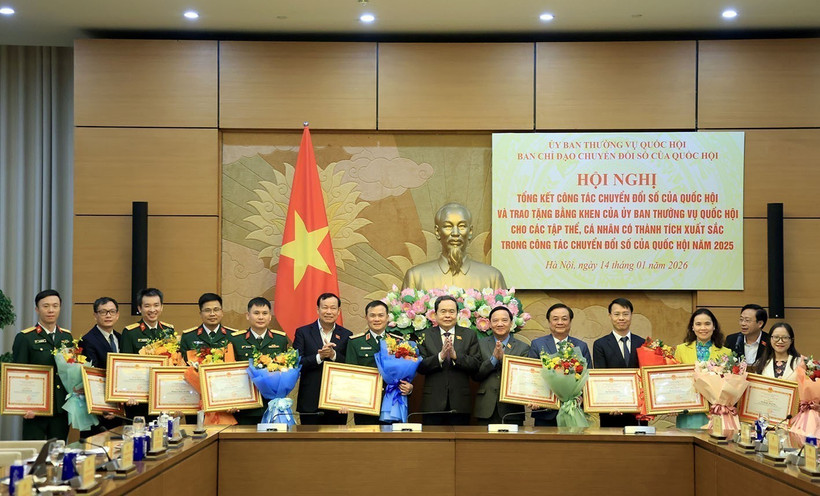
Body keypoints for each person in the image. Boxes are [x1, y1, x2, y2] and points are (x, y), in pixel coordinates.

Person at [12, 289, 73, 440]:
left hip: (61, 409)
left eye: (55, 306)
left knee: (58, 454)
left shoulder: (67, 336)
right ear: (37, 309)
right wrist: (24, 406)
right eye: (45, 306)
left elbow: (71, 371)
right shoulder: (25, 337)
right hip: (35, 409)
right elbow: (18, 374)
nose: (51, 310)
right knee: (33, 455)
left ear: (60, 308)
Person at [402, 202, 506, 290]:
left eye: (462, 226)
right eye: (448, 226)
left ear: (470, 231)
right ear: (437, 232)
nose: (455, 233)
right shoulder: (415, 277)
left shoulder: (492, 278)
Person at [346, 300, 412, 425]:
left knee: (392, 443)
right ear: (366, 317)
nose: (377, 319)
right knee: (366, 442)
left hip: (393, 404)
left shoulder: (399, 342)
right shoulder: (355, 342)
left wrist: (409, 387)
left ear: (387, 318)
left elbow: (406, 372)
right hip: (365, 404)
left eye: (381, 315)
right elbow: (350, 374)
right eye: (372, 315)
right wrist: (346, 400)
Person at [417, 295, 480, 425]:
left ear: (457, 314)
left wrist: (456, 357)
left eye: (452, 312)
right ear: (435, 315)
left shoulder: (469, 335)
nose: (447, 315)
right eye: (443, 311)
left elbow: (476, 364)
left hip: (460, 403)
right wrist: (440, 356)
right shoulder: (424, 335)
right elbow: (420, 366)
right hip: (432, 403)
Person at [528, 303, 592, 426]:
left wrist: (582, 398)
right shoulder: (537, 344)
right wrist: (533, 397)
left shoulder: (581, 346)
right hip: (545, 411)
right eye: (555, 319)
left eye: (564, 318)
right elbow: (532, 375)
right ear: (549, 322)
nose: (560, 322)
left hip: (573, 411)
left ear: (570, 321)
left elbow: (588, 376)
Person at [293, 293, 352, 425]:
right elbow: (297, 363)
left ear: (338, 311)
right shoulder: (303, 332)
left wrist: (333, 355)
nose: (329, 312)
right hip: (309, 400)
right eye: (325, 307)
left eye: (333, 308)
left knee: (336, 444)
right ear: (317, 309)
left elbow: (350, 366)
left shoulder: (347, 335)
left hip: (337, 402)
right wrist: (319, 357)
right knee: (309, 443)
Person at [230, 297, 290, 425]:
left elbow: (286, 370)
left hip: (272, 405)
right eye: (256, 313)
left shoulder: (280, 340)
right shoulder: (236, 340)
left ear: (270, 317)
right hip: (246, 406)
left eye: (264, 313)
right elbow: (230, 373)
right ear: (248, 315)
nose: (261, 317)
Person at [673, 308, 732, 429]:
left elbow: (730, 385)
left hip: (715, 412)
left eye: (707, 324)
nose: (703, 328)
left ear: (714, 326)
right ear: (692, 327)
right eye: (698, 324)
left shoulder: (726, 352)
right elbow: (675, 381)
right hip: (689, 410)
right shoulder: (681, 350)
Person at [592, 297, 645, 428]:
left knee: (640, 447)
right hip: (611, 410)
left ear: (631, 316)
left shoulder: (642, 343)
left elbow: (645, 376)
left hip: (638, 411)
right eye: (617, 314)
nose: (621, 318)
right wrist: (609, 403)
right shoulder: (600, 344)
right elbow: (601, 377)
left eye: (625, 314)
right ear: (610, 316)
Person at [474, 306, 530, 425]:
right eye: (495, 321)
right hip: (486, 407)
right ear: (489, 324)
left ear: (511, 323)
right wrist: (493, 359)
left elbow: (524, 378)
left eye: (504, 320)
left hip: (512, 408)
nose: (500, 324)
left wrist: (504, 360)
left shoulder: (523, 348)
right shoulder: (480, 344)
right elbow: (476, 374)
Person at [78, 296, 123, 435]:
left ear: (117, 315)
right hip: (100, 410)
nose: (108, 315)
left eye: (112, 311)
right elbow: (93, 377)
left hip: (119, 406)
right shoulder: (87, 340)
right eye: (103, 312)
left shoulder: (120, 338)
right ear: (95, 315)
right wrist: (103, 406)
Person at [120, 288, 174, 353]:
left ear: (161, 307)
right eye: (147, 306)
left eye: (156, 305)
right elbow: (125, 361)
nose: (152, 310)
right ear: (139, 308)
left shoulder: (168, 330)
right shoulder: (130, 333)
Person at [179, 293, 234, 358]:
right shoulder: (188, 337)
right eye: (207, 310)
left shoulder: (232, 336)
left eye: (216, 310)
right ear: (200, 314)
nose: (212, 314)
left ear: (222, 312)